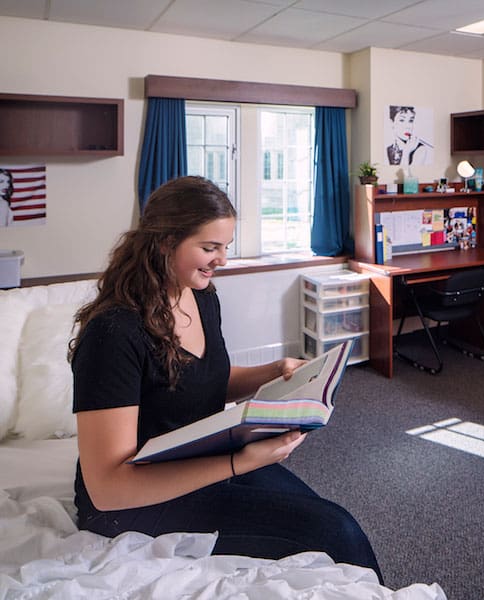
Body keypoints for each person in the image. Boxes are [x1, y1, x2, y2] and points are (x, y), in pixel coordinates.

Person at [68, 176, 382, 580]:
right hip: (136, 499)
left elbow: (198, 378)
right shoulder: (113, 333)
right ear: (164, 242)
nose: (223, 261)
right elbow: (108, 488)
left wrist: (275, 372)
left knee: (332, 518)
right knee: (334, 531)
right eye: (209, 247)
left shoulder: (199, 294)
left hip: (203, 458)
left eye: (225, 248)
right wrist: (238, 462)